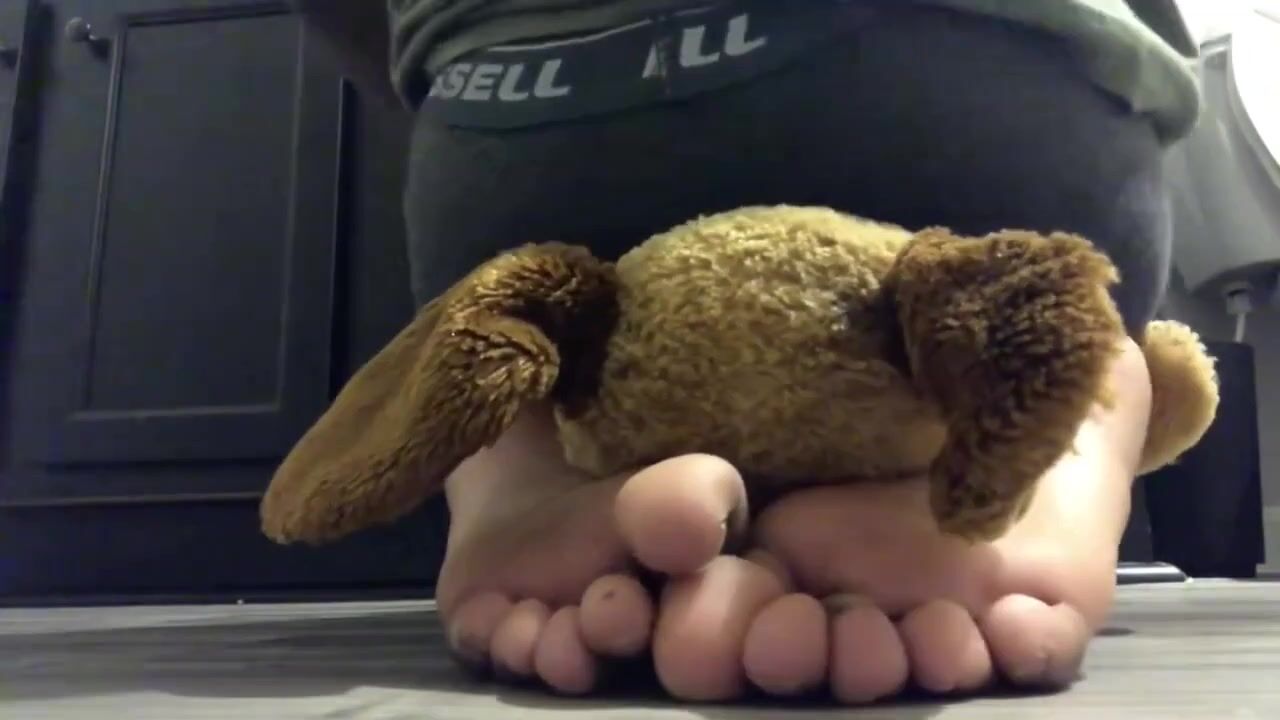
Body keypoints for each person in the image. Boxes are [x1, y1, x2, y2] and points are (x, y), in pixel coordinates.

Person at [295, 0, 1200, 703]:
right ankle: (1038, 472)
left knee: (529, 334)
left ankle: (524, 475)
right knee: (1040, 320)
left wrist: (439, 74)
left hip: (523, 99)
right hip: (970, 75)